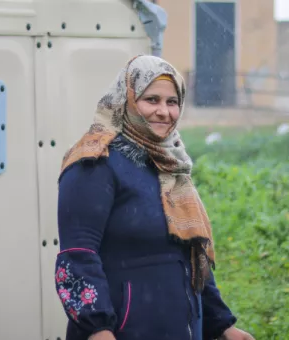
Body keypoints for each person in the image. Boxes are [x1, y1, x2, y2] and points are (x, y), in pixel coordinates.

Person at [54, 55, 254, 340]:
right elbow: (77, 258)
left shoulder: (172, 165)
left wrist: (222, 324)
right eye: (152, 100)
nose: (164, 111)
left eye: (172, 102)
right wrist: (97, 329)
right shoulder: (94, 163)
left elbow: (191, 257)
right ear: (128, 100)